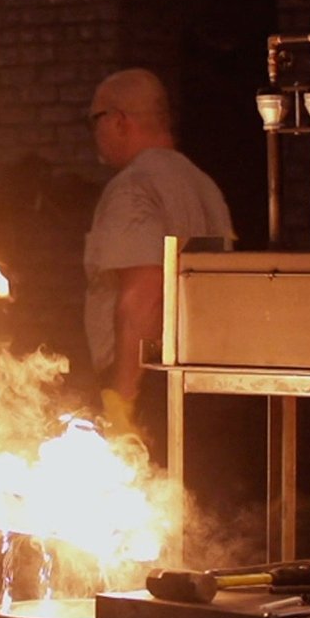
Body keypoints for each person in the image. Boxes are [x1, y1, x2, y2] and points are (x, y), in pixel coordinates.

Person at [83, 68, 233, 451]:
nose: (94, 133)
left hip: (150, 389)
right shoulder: (201, 183)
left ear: (118, 121)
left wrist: (122, 401)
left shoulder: (134, 187)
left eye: (94, 120)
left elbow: (144, 295)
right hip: (204, 383)